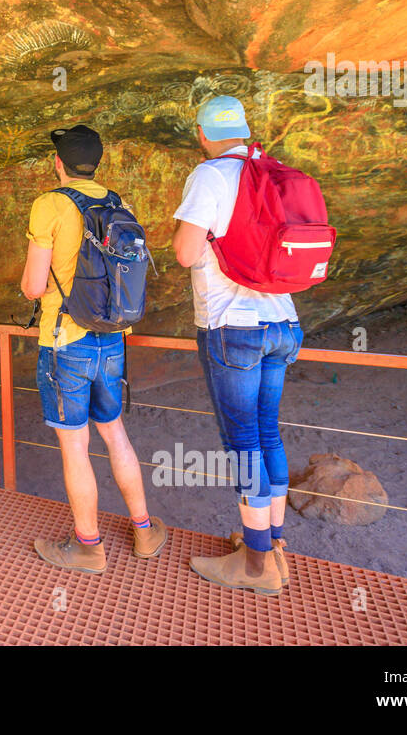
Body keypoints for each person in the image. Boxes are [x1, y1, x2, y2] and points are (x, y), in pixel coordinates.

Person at [172, 95, 302, 595]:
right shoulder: (269, 169)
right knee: (267, 433)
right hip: (283, 321)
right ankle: (271, 543)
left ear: (202, 134)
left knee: (242, 444)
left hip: (234, 327)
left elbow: (186, 252)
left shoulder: (210, 175)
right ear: (244, 130)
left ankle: (254, 565)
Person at [21, 126, 166, 573]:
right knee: (115, 433)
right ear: (96, 164)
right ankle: (143, 532)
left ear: (58, 164)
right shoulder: (119, 203)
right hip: (112, 340)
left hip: (66, 340)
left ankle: (88, 546)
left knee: (75, 446)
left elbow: (31, 286)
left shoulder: (50, 204)